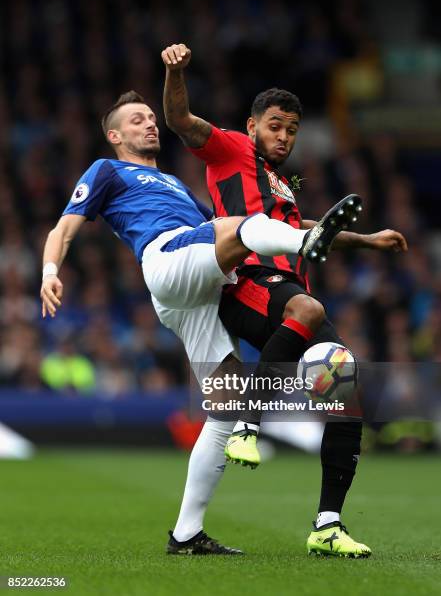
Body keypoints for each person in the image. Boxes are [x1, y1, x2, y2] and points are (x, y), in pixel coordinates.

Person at [40, 90, 360, 555]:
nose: (149, 124)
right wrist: (50, 272)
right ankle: (304, 243)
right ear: (114, 135)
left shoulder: (174, 183)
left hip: (193, 290)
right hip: (167, 260)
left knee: (225, 407)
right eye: (136, 120)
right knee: (239, 224)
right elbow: (63, 227)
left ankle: (186, 534)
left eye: (150, 118)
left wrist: (360, 239)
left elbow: (246, 228)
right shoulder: (107, 170)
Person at [162, 42, 408, 557]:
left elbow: (309, 232)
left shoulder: (282, 187)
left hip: (287, 296)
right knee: (310, 310)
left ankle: (327, 524)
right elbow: (181, 119)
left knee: (344, 386)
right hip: (247, 284)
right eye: (275, 125)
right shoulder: (230, 148)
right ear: (252, 126)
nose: (284, 136)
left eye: (292, 129)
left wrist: (369, 239)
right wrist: (176, 72)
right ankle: (249, 424)